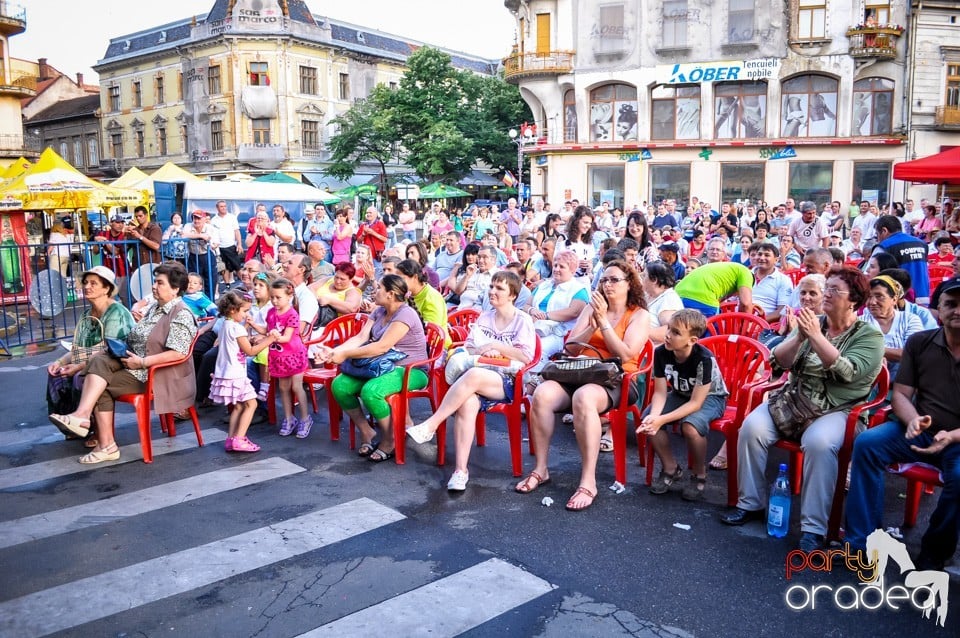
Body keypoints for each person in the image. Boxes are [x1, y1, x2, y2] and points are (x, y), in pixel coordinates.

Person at [720, 266, 884, 552]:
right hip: (795, 400)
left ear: (854, 300)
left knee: (819, 443)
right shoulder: (812, 322)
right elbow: (778, 363)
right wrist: (798, 337)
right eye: (827, 289)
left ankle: (813, 528)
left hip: (839, 409)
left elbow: (848, 373)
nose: (826, 295)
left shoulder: (869, 336)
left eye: (834, 290)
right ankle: (751, 504)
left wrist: (815, 337)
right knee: (751, 428)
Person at [845, 280, 960, 571]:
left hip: (957, 440)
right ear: (938, 311)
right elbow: (901, 394)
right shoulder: (921, 343)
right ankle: (863, 542)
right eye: (951, 304)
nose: (957, 310)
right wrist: (913, 421)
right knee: (868, 444)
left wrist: (953, 435)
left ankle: (934, 551)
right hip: (918, 431)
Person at [518, 259, 650, 511]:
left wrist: (604, 323)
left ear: (629, 284)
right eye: (604, 279)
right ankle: (540, 468)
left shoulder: (639, 315)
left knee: (584, 398)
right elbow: (571, 348)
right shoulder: (592, 308)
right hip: (581, 371)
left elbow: (625, 355)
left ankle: (588, 480)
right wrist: (590, 327)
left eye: (614, 280)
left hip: (618, 378)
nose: (607, 284)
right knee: (543, 394)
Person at [48, 261, 199, 464]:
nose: (154, 286)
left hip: (157, 376)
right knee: (99, 363)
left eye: (160, 283)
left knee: (99, 381)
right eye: (155, 281)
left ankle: (104, 442)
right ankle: (87, 422)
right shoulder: (155, 308)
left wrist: (143, 361)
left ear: (175, 289)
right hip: (134, 366)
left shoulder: (181, 313)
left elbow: (178, 353)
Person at [406, 271, 536, 490]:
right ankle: (460, 471)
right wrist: (484, 352)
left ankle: (433, 423)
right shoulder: (485, 316)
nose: (493, 291)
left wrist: (497, 348)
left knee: (472, 376)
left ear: (512, 295)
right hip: (479, 373)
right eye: (492, 287)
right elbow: (469, 348)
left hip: (509, 380)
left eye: (499, 288)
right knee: (467, 403)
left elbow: (526, 357)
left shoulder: (522, 320)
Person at [319, 275, 429, 462]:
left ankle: (390, 439)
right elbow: (361, 337)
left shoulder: (405, 314)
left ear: (391, 294)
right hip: (379, 366)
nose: (374, 290)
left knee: (372, 391)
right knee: (340, 385)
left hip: (411, 369)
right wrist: (334, 352)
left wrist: (345, 355)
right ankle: (367, 431)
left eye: (379, 288)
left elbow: (381, 347)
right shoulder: (379, 311)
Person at [639, 309, 729, 501]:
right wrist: (655, 417)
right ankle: (671, 468)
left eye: (676, 332)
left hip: (710, 397)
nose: (668, 335)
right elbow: (661, 392)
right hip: (680, 394)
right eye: (669, 329)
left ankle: (699, 473)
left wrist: (661, 419)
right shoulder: (662, 352)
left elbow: (696, 403)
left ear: (692, 340)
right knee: (648, 418)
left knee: (690, 426)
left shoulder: (703, 359)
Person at [46, 266, 135, 444]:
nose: (87, 286)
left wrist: (78, 366)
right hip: (91, 360)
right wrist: (59, 362)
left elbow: (109, 350)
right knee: (56, 375)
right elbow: (77, 347)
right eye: (86, 282)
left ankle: (92, 427)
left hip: (116, 364)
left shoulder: (117, 313)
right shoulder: (87, 315)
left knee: (81, 376)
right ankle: (72, 422)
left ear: (107, 289)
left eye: (94, 283)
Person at [209, 290, 277, 452]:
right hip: (236, 374)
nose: (247, 314)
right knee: (252, 404)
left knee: (239, 406)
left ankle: (231, 439)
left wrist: (246, 325)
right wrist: (270, 339)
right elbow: (251, 351)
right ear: (233, 310)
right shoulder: (237, 329)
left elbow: (237, 339)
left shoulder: (227, 324)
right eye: (245, 311)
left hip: (227, 372)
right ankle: (239, 439)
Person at [259, 277, 311, 438]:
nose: (274, 301)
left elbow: (286, 337)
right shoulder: (270, 313)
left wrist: (271, 336)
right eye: (272, 297)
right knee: (283, 388)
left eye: (278, 297)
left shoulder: (292, 314)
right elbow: (266, 330)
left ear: (289, 296)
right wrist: (255, 327)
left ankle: (305, 418)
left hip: (294, 355)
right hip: (279, 357)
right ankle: (289, 418)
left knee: (296, 387)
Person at [524, 250, 590, 363]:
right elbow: (526, 305)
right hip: (532, 327)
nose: (556, 269)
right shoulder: (544, 285)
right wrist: (532, 310)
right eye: (555, 265)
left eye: (562, 267)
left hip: (558, 333)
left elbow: (573, 312)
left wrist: (545, 316)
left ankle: (535, 378)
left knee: (537, 349)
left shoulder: (579, 289)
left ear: (573, 270)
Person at [860, 275, 924, 379]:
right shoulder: (860, 322)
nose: (872, 302)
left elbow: (913, 354)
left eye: (879, 296)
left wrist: (874, 351)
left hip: (906, 381)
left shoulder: (910, 320)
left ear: (894, 299)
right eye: (869, 297)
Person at [873, 215, 930, 305]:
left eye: (877, 234)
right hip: (924, 296)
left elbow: (872, 272)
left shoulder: (885, 246)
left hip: (900, 299)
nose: (877, 239)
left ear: (884, 231)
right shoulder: (922, 243)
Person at [396, 259, 450, 346]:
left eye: (401, 279)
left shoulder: (432, 297)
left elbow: (431, 333)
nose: (397, 283)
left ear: (415, 277)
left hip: (436, 347)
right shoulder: (407, 294)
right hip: (412, 342)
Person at [674, 261, 754, 319]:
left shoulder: (730, 270)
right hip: (701, 297)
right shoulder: (746, 272)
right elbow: (746, 303)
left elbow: (721, 301)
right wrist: (746, 326)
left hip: (677, 294)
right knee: (713, 332)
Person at [642, 261, 683, 344]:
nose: (642, 278)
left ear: (654, 280)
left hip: (652, 352)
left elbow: (670, 330)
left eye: (644, 276)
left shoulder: (669, 300)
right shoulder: (648, 294)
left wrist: (636, 332)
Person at [95, 214, 132, 303]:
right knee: (108, 298)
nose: (120, 225)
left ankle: (128, 315)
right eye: (117, 222)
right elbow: (95, 251)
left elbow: (116, 251)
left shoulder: (124, 236)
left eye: (122, 223)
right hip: (107, 272)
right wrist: (97, 242)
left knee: (126, 298)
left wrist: (106, 242)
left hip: (122, 271)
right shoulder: (103, 234)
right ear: (111, 223)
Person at [208, 200, 242, 287]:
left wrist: (239, 244)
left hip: (231, 246)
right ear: (217, 208)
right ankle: (227, 285)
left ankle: (246, 284)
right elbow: (212, 235)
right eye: (221, 206)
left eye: (225, 206)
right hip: (219, 248)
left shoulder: (232, 217)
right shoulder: (213, 220)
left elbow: (237, 231)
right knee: (223, 267)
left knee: (237, 266)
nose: (223, 208)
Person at [563, 206, 597, 279]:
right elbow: (556, 262)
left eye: (590, 223)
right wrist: (575, 263)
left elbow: (590, 264)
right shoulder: (563, 239)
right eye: (585, 222)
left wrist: (589, 266)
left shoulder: (588, 242)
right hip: (568, 282)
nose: (588, 226)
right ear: (576, 221)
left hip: (584, 281)